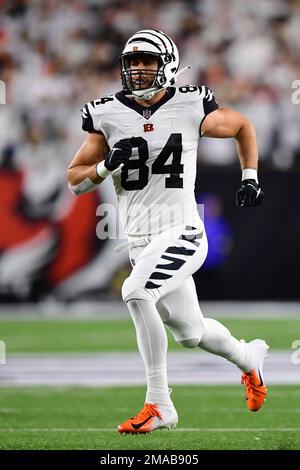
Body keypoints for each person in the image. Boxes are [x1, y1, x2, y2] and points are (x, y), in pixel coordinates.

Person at [67, 29, 268, 434]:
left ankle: (159, 404)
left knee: (135, 291)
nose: (139, 69)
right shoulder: (105, 112)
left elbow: (243, 125)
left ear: (168, 65)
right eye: (133, 62)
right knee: (191, 334)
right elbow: (76, 180)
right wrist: (106, 167)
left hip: (181, 230)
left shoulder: (191, 103)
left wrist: (250, 176)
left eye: (148, 61)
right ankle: (250, 358)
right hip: (139, 239)